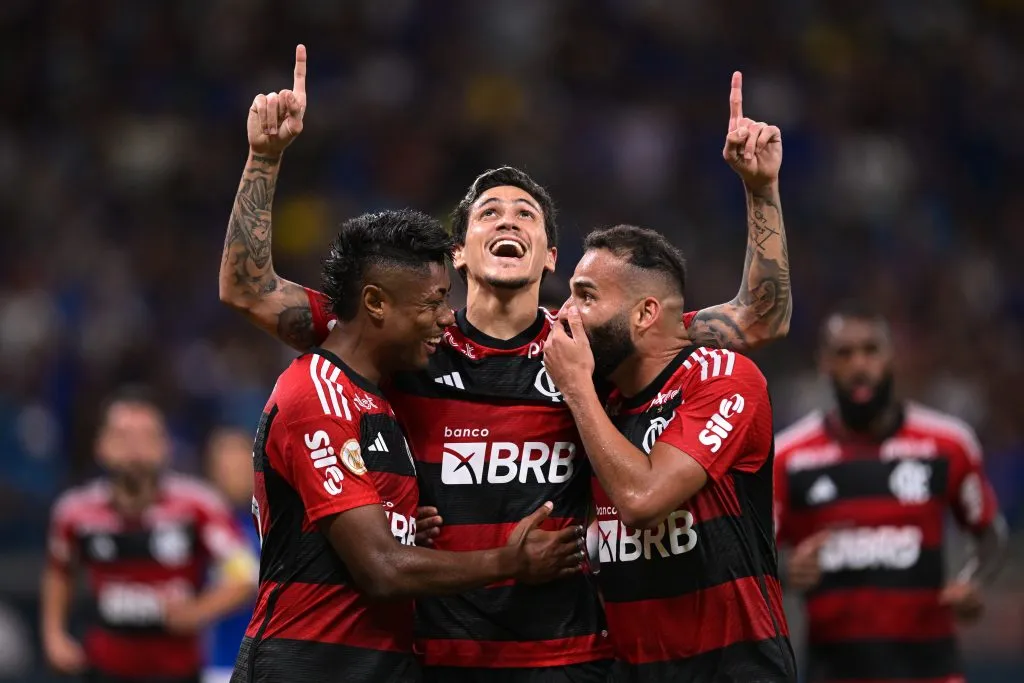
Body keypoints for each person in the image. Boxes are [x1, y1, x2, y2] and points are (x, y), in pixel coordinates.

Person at [219, 46, 792, 682]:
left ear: (550, 257)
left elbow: (757, 318)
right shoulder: (406, 337)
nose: (508, 220)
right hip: (440, 660)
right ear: (459, 254)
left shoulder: (588, 346)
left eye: (527, 215)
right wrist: (264, 158)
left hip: (569, 662)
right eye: (488, 212)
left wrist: (761, 190)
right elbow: (250, 290)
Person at [231, 208, 584, 683]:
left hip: (379, 667)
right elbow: (381, 569)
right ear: (376, 303)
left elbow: (364, 543)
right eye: (434, 302)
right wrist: (510, 561)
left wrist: (404, 530)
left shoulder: (381, 398)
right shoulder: (318, 395)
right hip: (307, 664)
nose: (446, 318)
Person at [543, 223, 795, 683]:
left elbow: (642, 500)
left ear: (645, 314)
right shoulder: (605, 398)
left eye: (586, 297)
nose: (566, 314)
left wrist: (576, 387)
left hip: (734, 673)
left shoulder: (721, 378)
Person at [773, 304, 1007, 683]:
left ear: (892, 357)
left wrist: (971, 582)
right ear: (824, 364)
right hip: (833, 670)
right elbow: (750, 557)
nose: (859, 365)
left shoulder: (948, 444)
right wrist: (784, 571)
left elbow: (990, 534)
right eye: (844, 354)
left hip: (931, 670)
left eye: (871, 350)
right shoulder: (789, 458)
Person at [42, 387, 258, 683]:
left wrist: (198, 610)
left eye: (146, 437)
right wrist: (53, 634)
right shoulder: (74, 512)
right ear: (101, 445)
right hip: (103, 670)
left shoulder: (198, 507)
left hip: (177, 672)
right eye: (123, 437)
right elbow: (59, 569)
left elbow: (245, 575)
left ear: (165, 446)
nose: (135, 449)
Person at [203, 428, 263, 683]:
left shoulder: (274, 524)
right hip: (218, 665)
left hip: (270, 663)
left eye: (241, 467)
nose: (234, 476)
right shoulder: (200, 526)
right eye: (225, 468)